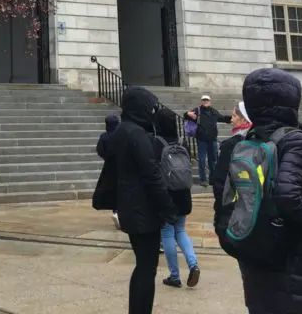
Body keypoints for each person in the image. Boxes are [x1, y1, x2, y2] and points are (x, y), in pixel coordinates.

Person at [238, 68, 302, 314]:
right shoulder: (296, 140)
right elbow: (288, 195)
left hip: (256, 247)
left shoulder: (248, 139)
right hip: (294, 252)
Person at [106, 86, 177, 314]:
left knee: (143, 265)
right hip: (142, 210)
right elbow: (152, 175)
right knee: (147, 268)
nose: (153, 111)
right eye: (150, 107)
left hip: (128, 206)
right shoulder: (136, 134)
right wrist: (167, 208)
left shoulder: (120, 131)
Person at [154, 105, 200, 289]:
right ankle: (193, 263)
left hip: (166, 194)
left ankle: (174, 275)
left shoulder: (156, 142)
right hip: (183, 193)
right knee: (181, 230)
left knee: (167, 233)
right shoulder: (183, 142)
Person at [211, 101, 252, 236]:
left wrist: (221, 209)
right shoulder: (259, 141)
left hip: (233, 208)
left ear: (243, 120)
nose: (231, 119)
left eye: (234, 116)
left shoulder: (231, 145)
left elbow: (220, 180)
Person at [187, 94, 231, 186]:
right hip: (201, 140)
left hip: (212, 140)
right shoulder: (197, 110)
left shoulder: (214, 111)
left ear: (210, 102)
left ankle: (212, 179)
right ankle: (203, 180)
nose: (205, 101)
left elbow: (222, 118)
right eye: (203, 100)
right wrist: (188, 114)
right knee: (202, 160)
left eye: (207, 100)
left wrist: (233, 118)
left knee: (213, 161)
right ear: (201, 101)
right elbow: (186, 116)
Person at [97, 113, 121, 229]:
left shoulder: (104, 137)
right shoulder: (122, 135)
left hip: (110, 167)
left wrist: (108, 157)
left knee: (113, 189)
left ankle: (116, 211)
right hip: (123, 165)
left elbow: (100, 150)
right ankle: (121, 212)